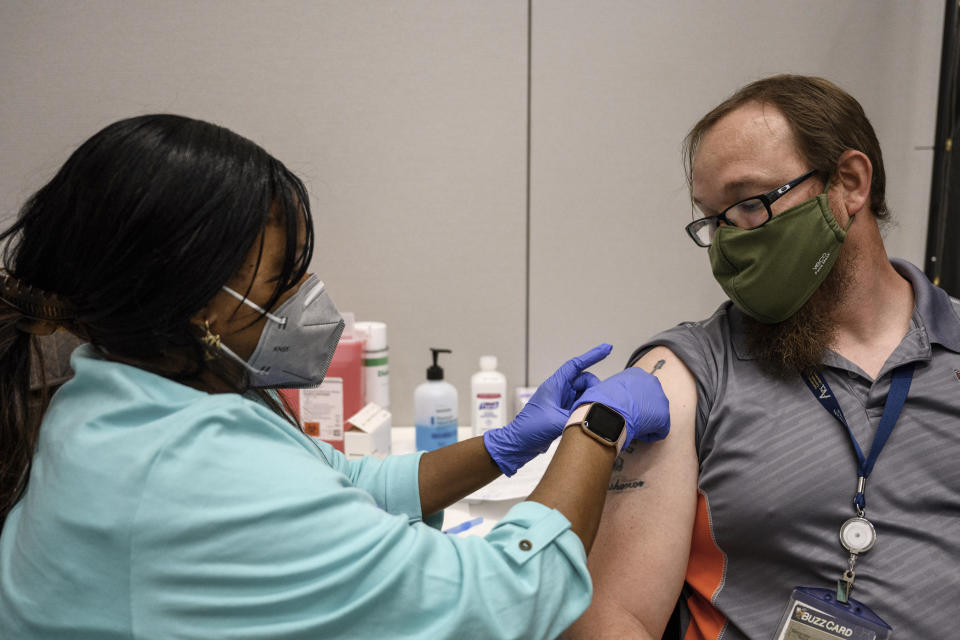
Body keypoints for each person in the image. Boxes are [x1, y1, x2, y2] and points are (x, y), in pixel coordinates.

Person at [0, 114, 672, 639]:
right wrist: (598, 426)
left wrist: (504, 449)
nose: (304, 300)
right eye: (282, 280)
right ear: (196, 304)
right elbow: (501, 602)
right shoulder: (183, 466)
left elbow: (349, 482)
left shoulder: (121, 397)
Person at [565, 75, 960, 639]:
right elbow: (609, 618)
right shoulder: (688, 373)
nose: (729, 241)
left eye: (749, 204)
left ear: (849, 183)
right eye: (713, 219)